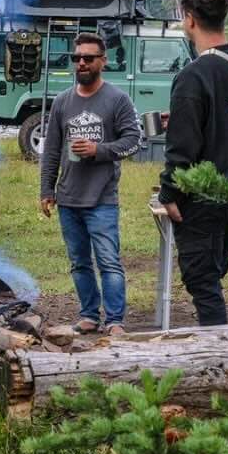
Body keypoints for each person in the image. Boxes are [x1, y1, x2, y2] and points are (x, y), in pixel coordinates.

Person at [159, 0, 228, 326]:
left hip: (203, 196)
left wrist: (169, 192)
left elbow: (181, 147)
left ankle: (219, 358)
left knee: (202, 281)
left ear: (189, 20)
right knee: (213, 274)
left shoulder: (193, 75)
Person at [40, 32, 142, 335]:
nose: (81, 63)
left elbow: (134, 141)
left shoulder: (117, 99)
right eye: (77, 58)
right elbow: (52, 151)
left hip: (102, 199)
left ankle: (114, 320)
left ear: (103, 61)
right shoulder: (62, 102)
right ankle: (88, 315)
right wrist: (46, 189)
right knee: (79, 263)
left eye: (88, 58)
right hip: (68, 199)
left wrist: (99, 150)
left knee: (109, 262)